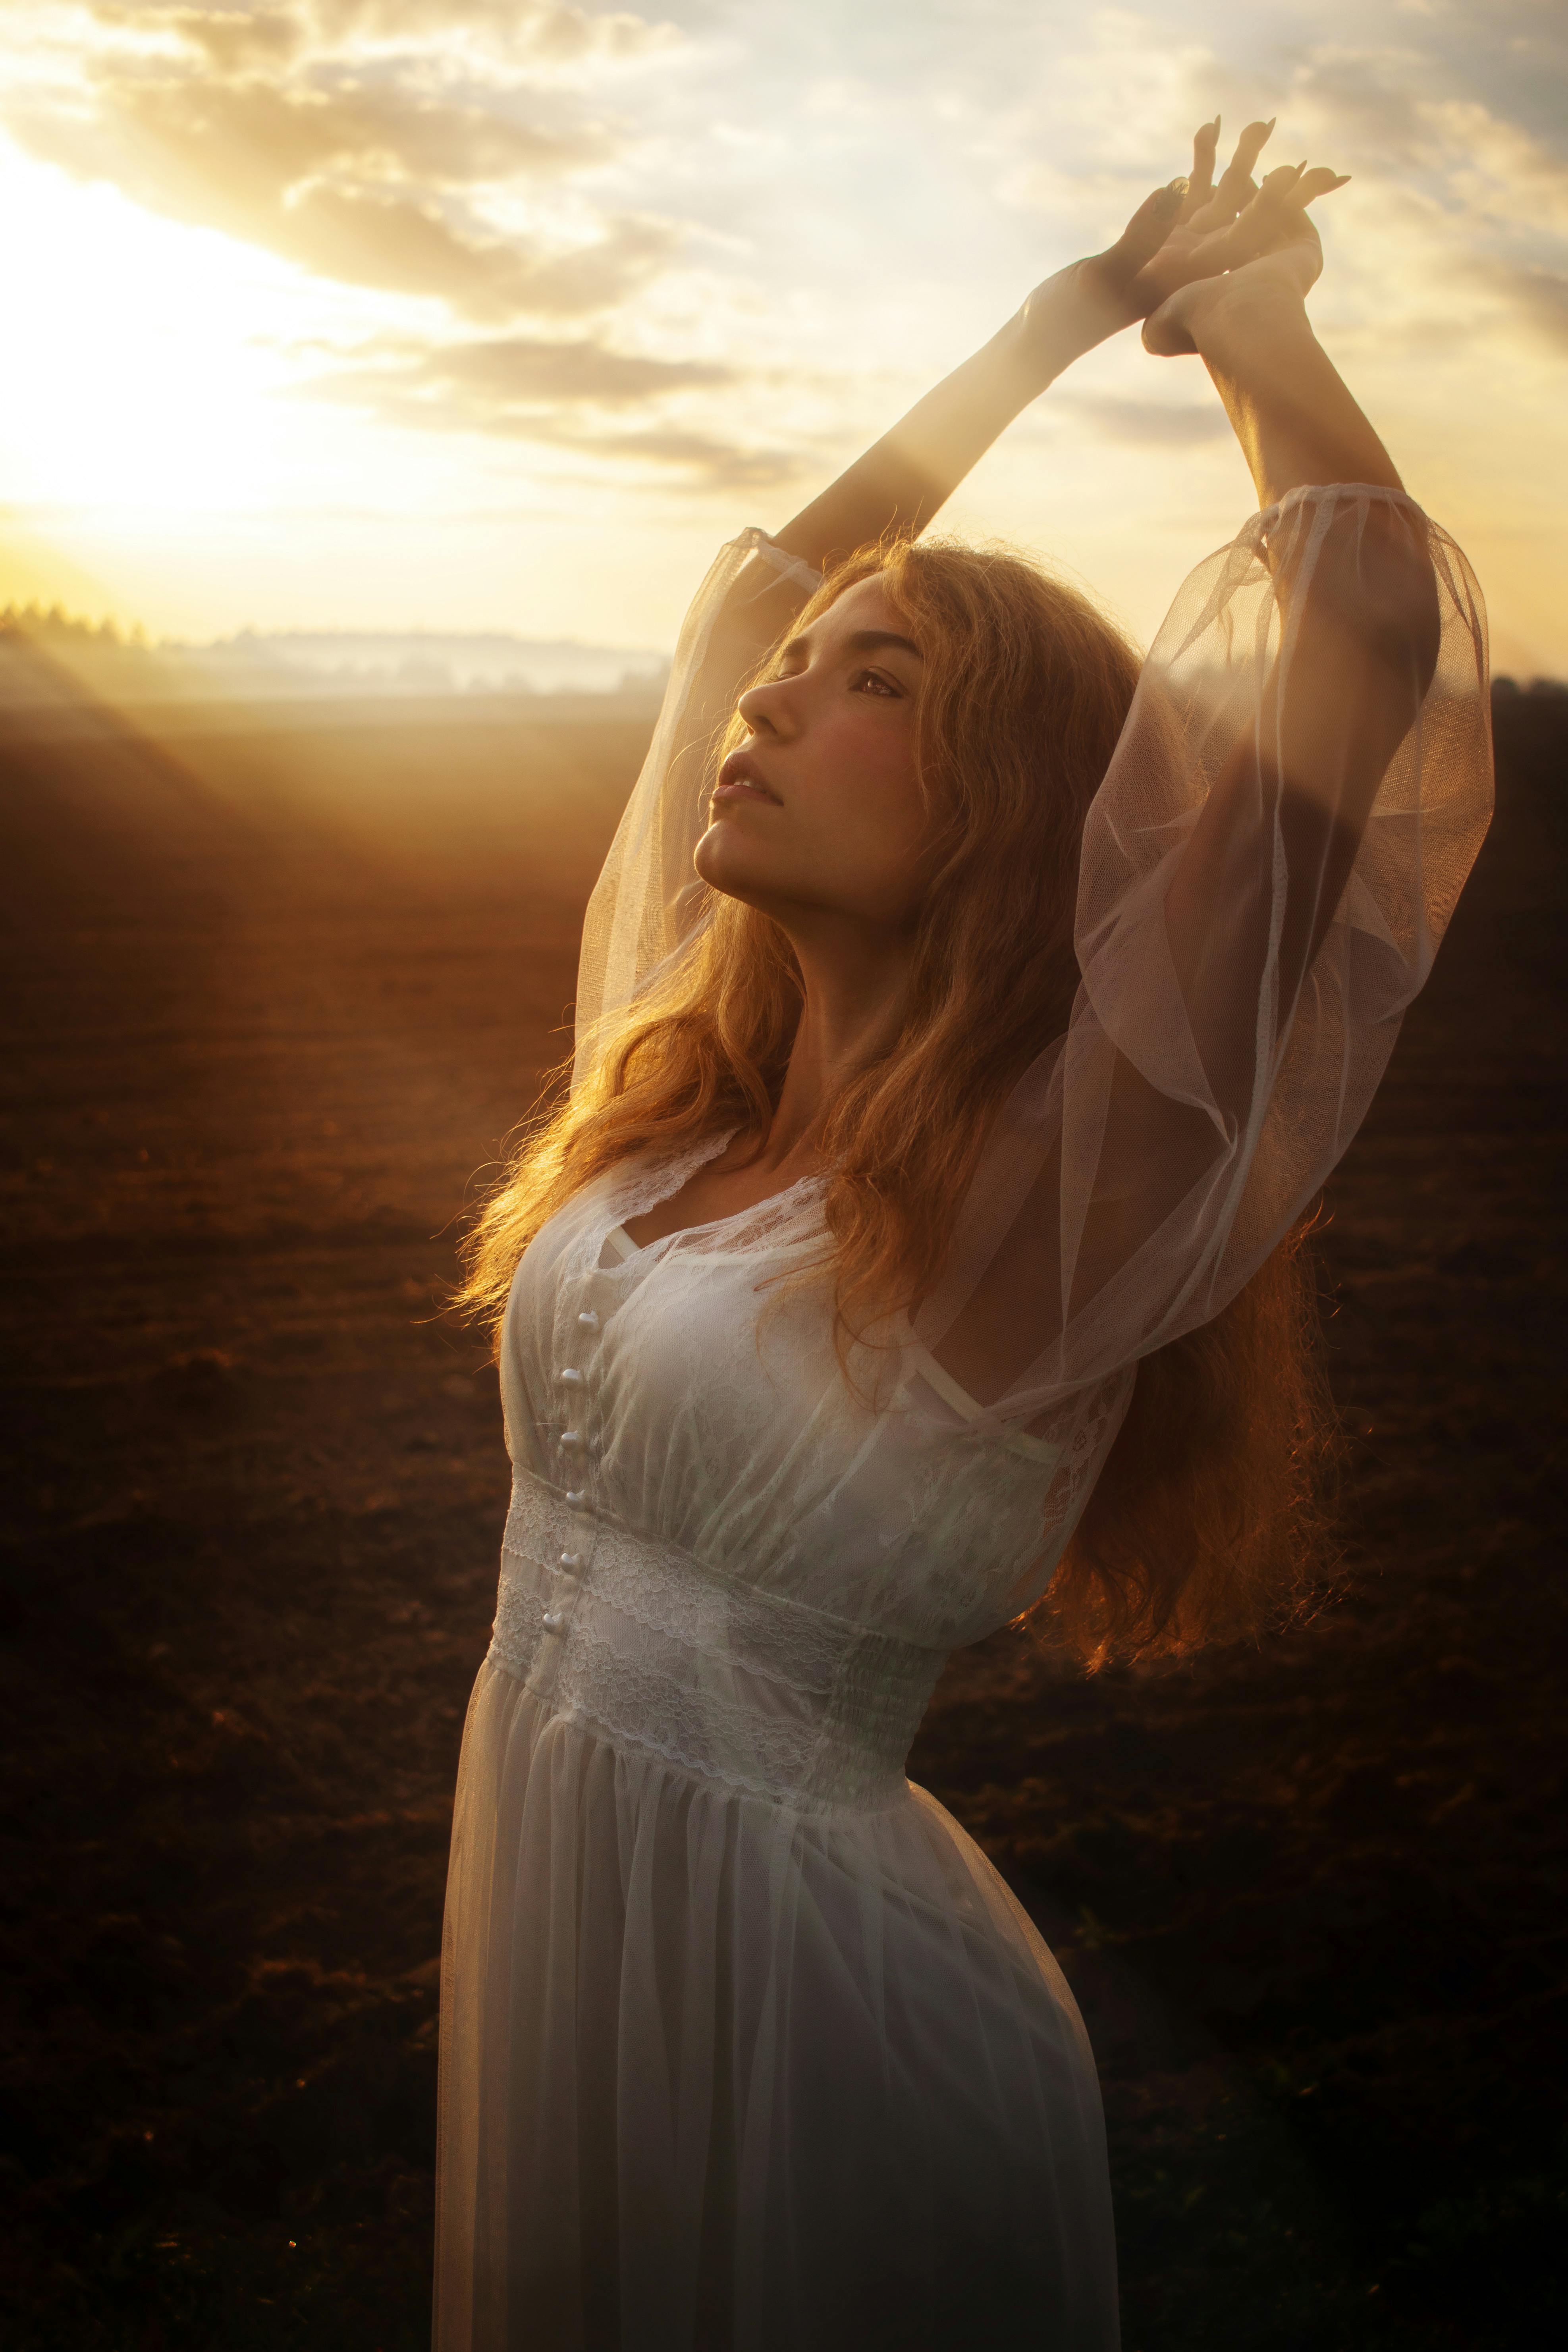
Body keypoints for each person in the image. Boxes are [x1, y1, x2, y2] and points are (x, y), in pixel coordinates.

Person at [434, 118, 1492, 2351]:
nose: (768, 693)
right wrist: (1052, 319)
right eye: (798, 670)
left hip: (819, 2044)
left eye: (876, 679)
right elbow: (750, 585)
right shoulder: (685, 1084)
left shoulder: (1058, 1170)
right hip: (564, 1948)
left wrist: (1240, 318)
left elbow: (1368, 626)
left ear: (1016, 806)